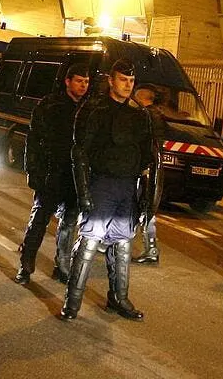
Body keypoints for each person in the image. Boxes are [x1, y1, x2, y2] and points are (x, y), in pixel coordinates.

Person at [60, 59, 158, 321]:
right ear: (111, 81)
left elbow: (148, 157)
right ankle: (72, 302)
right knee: (90, 241)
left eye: (131, 81)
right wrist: (83, 192)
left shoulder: (139, 115)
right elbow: (79, 152)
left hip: (127, 186)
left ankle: (118, 298)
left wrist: (146, 196)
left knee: (123, 241)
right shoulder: (94, 110)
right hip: (101, 183)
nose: (128, 85)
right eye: (123, 79)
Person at [15, 63, 89, 285]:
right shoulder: (50, 105)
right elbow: (34, 139)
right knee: (39, 220)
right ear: (68, 81)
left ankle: (62, 266)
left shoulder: (88, 109)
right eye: (79, 81)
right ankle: (26, 265)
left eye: (86, 82)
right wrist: (33, 170)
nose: (83, 86)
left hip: (74, 177)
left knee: (69, 222)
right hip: (51, 173)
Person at [132, 85, 167, 265]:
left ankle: (149, 249)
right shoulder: (156, 116)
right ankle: (151, 248)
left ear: (142, 99)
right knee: (146, 208)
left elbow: (144, 144)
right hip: (152, 169)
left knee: (142, 207)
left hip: (146, 170)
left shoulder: (146, 116)